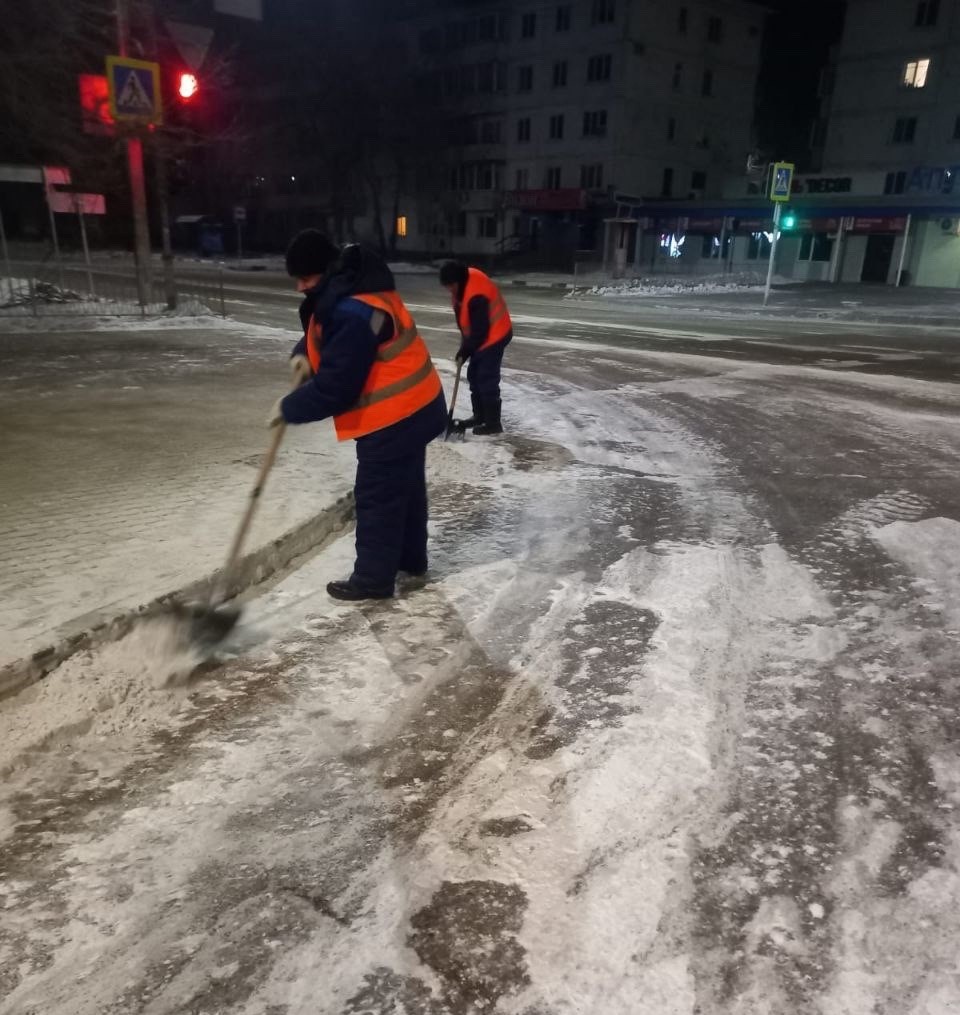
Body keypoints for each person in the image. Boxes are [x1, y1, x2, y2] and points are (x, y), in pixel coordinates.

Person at [269, 230, 447, 601]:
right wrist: (305, 352)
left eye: (305, 279)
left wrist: (290, 408)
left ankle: (373, 579)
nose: (300, 287)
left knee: (378, 496)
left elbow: (337, 388)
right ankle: (410, 560)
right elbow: (325, 329)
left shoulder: (352, 310)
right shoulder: (351, 285)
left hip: (394, 416)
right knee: (405, 489)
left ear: (325, 269)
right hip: (419, 405)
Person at [439, 261, 512, 435]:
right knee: (474, 375)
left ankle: (493, 423)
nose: (449, 290)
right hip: (483, 337)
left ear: (457, 281)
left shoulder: (475, 295)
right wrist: (465, 347)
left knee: (486, 378)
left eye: (450, 286)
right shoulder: (462, 287)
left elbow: (479, 331)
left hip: (495, 334)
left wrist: (465, 351)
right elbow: (468, 326)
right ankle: (480, 416)